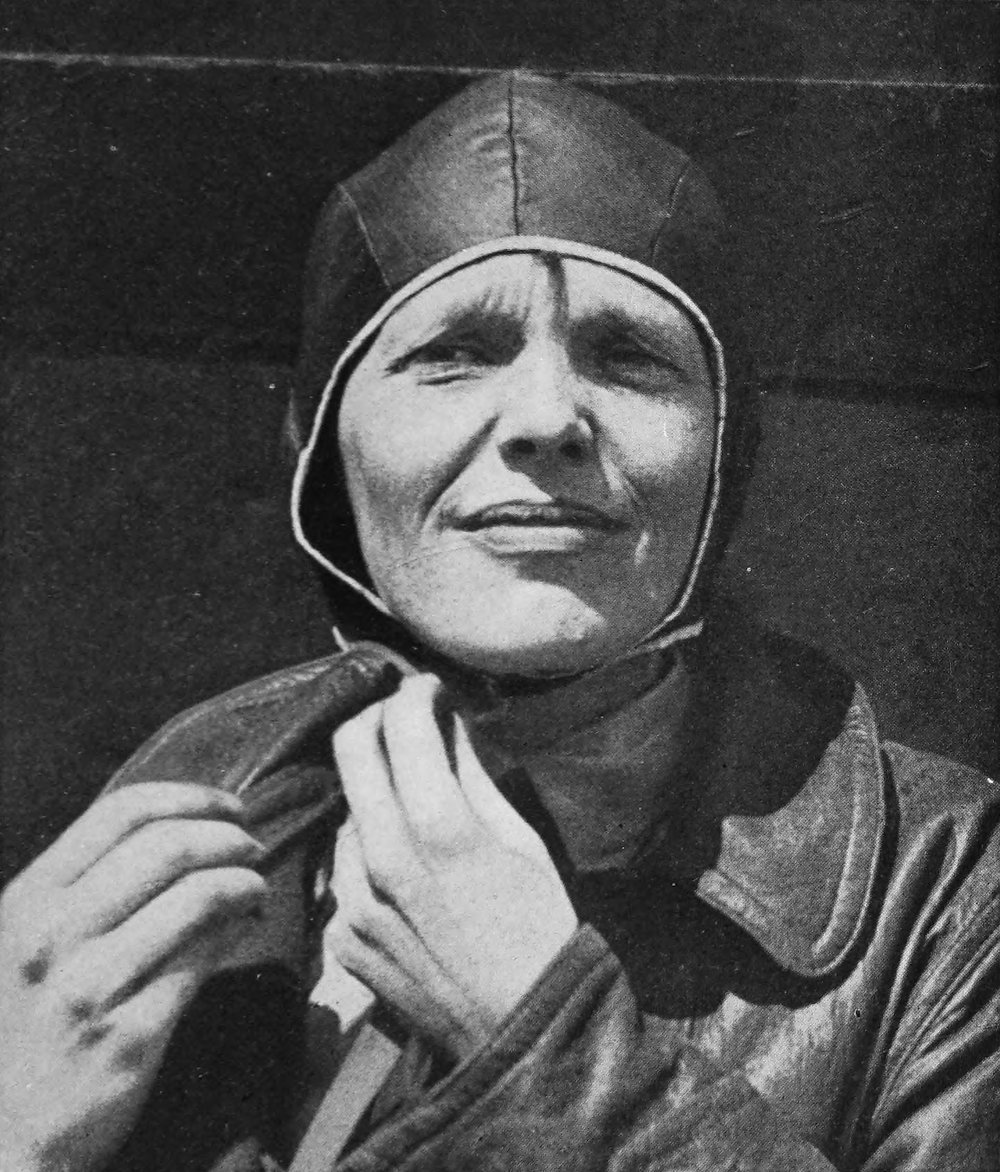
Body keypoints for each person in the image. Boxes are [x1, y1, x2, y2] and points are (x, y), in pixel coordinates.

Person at [2, 73, 998, 1172]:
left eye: (630, 357)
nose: (545, 417)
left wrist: (553, 1052)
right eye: (455, 352)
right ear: (329, 447)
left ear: (725, 453)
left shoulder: (947, 895)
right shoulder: (186, 792)